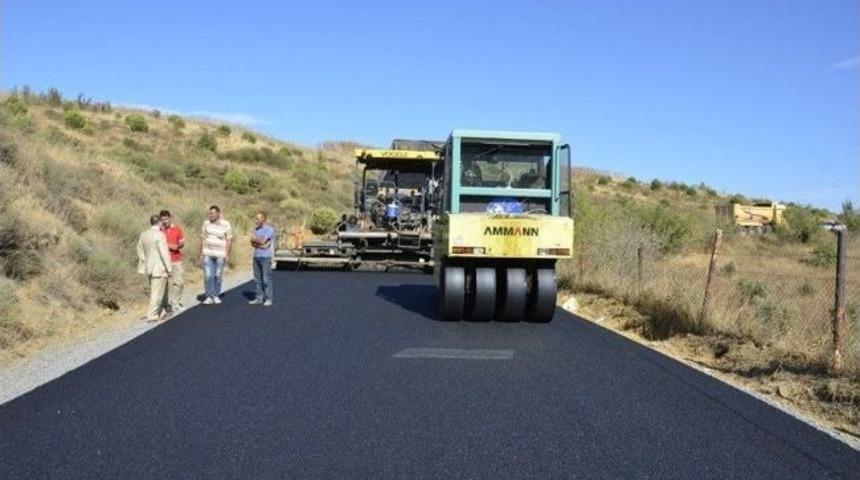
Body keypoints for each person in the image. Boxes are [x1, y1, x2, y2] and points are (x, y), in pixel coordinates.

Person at [137, 214, 172, 321]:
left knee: (159, 290)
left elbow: (139, 248)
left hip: (149, 267)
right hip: (159, 268)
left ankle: (162, 311)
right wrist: (169, 268)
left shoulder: (144, 234)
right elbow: (164, 253)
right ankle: (152, 314)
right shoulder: (160, 235)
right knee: (157, 293)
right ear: (159, 223)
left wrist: (144, 261)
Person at [200, 205, 232, 305]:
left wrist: (227, 253)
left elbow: (229, 239)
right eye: (210, 213)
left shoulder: (225, 224)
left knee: (217, 275)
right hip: (207, 253)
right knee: (208, 275)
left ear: (218, 213)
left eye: (213, 213)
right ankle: (209, 296)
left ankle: (216, 295)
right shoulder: (206, 223)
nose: (211, 215)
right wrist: (201, 252)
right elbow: (203, 238)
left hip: (220, 254)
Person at [160, 210, 185, 313]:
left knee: (179, 282)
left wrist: (177, 246)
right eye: (162, 219)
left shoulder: (177, 228)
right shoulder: (159, 230)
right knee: (164, 285)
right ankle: (165, 305)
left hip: (176, 259)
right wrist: (169, 246)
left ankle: (175, 303)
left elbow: (182, 243)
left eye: (166, 219)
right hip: (163, 261)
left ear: (170, 218)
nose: (164, 221)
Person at [249, 211, 275, 306]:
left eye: (258, 218)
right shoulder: (256, 229)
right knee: (257, 279)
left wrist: (257, 241)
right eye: (255, 218)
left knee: (266, 279)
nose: (256, 220)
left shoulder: (270, 229)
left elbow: (263, 241)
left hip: (265, 257)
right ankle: (259, 298)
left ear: (263, 219)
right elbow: (252, 242)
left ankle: (268, 298)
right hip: (256, 257)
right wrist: (259, 243)